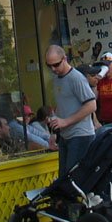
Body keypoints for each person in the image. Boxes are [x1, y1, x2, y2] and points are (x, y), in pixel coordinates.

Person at [44, 45, 97, 175]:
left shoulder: (76, 78)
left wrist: (66, 121)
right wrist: (54, 131)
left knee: (73, 179)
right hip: (65, 136)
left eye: (56, 65)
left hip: (81, 135)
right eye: (49, 65)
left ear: (65, 59)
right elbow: (62, 107)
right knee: (64, 178)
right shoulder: (56, 80)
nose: (53, 69)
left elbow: (91, 105)